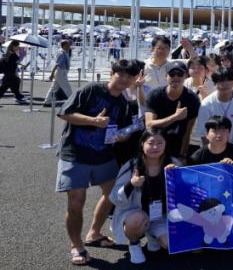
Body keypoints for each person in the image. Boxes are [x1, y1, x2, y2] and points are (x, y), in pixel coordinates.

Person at [55, 59, 140, 266]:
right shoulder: (91, 90)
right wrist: (93, 121)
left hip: (103, 155)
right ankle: (76, 246)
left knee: (113, 194)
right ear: (112, 73)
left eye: (130, 76)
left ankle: (93, 233)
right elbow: (64, 112)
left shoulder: (123, 103)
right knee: (77, 201)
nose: (125, 79)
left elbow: (118, 131)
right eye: (121, 74)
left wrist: (123, 136)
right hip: (75, 154)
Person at [109, 128, 179, 264]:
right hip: (137, 214)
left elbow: (186, 192)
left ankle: (152, 234)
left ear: (166, 144)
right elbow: (115, 198)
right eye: (151, 143)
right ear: (142, 144)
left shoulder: (173, 164)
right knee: (136, 220)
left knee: (170, 245)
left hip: (161, 216)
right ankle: (134, 244)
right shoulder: (132, 165)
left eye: (160, 143)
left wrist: (176, 177)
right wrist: (131, 184)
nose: (155, 147)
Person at [144, 61, 201, 161]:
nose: (176, 77)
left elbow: (188, 132)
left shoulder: (192, 99)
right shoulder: (155, 95)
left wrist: (182, 155)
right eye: (172, 74)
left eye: (180, 74)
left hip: (177, 148)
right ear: (166, 76)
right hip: (155, 146)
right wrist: (174, 117)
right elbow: (149, 125)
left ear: (186, 76)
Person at [192, 68, 233, 152]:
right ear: (215, 83)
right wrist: (211, 153)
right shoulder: (206, 104)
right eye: (220, 81)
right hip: (214, 151)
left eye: (228, 80)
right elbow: (203, 135)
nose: (224, 84)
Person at [45, 39, 72, 107]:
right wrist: (52, 74)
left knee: (54, 88)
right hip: (61, 72)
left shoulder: (64, 52)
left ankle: (47, 101)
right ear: (64, 45)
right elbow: (56, 64)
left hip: (61, 72)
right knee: (67, 88)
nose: (69, 46)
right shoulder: (61, 53)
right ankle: (73, 101)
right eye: (67, 45)